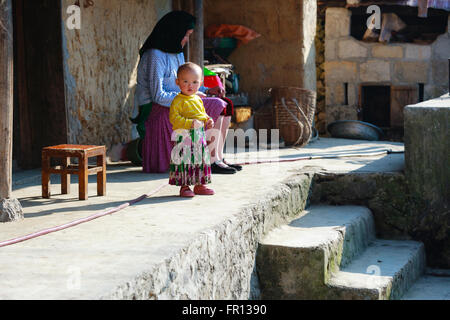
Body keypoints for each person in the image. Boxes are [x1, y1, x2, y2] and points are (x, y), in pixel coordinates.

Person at [135, 10, 242, 174]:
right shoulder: (154, 56)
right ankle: (211, 160)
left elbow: (185, 84)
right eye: (186, 35)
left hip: (179, 101)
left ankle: (218, 157)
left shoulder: (177, 53)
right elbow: (158, 96)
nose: (186, 40)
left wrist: (207, 89)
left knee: (225, 104)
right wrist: (193, 97)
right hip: (156, 108)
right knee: (217, 104)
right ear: (174, 32)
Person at [169, 62, 215, 197]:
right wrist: (190, 123)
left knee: (200, 160)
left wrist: (207, 119)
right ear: (177, 82)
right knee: (185, 160)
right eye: (186, 81)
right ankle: (184, 186)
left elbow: (201, 114)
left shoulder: (197, 99)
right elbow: (174, 119)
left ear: (200, 83)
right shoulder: (178, 101)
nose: (190, 85)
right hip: (183, 136)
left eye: (194, 82)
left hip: (198, 136)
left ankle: (200, 184)